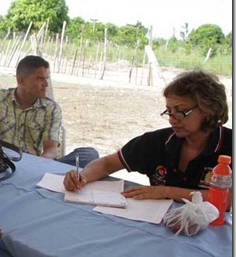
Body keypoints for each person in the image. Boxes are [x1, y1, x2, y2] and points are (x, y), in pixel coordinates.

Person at [63, 69, 232, 203]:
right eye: (169, 111)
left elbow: (229, 199)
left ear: (208, 109)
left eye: (181, 111)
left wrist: (166, 192)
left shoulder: (228, 145)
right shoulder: (156, 142)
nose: (172, 119)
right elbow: (106, 164)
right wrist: (82, 177)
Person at [0, 55, 99, 167]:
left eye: (47, 78)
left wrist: (40, 164)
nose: (46, 84)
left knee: (89, 154)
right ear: (21, 81)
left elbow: (51, 149)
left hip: (37, 163)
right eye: (40, 79)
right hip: (2, 163)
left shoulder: (51, 108)